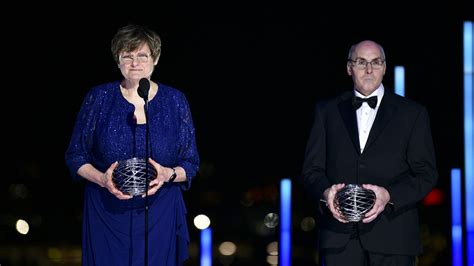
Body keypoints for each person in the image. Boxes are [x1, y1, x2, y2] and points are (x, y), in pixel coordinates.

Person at [65, 24, 199, 265]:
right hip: (107, 211)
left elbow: (190, 163)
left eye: (142, 56)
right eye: (127, 56)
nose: (134, 63)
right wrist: (102, 179)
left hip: (161, 213)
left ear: (155, 59)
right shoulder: (99, 97)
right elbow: (75, 156)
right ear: (118, 60)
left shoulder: (175, 101)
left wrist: (167, 174)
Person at [302, 40, 438, 266]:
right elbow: (311, 170)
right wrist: (326, 193)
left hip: (394, 238)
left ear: (385, 67)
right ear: (348, 68)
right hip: (338, 239)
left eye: (376, 62)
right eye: (361, 62)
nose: (368, 69)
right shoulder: (326, 111)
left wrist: (389, 196)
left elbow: (427, 173)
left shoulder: (413, 113)